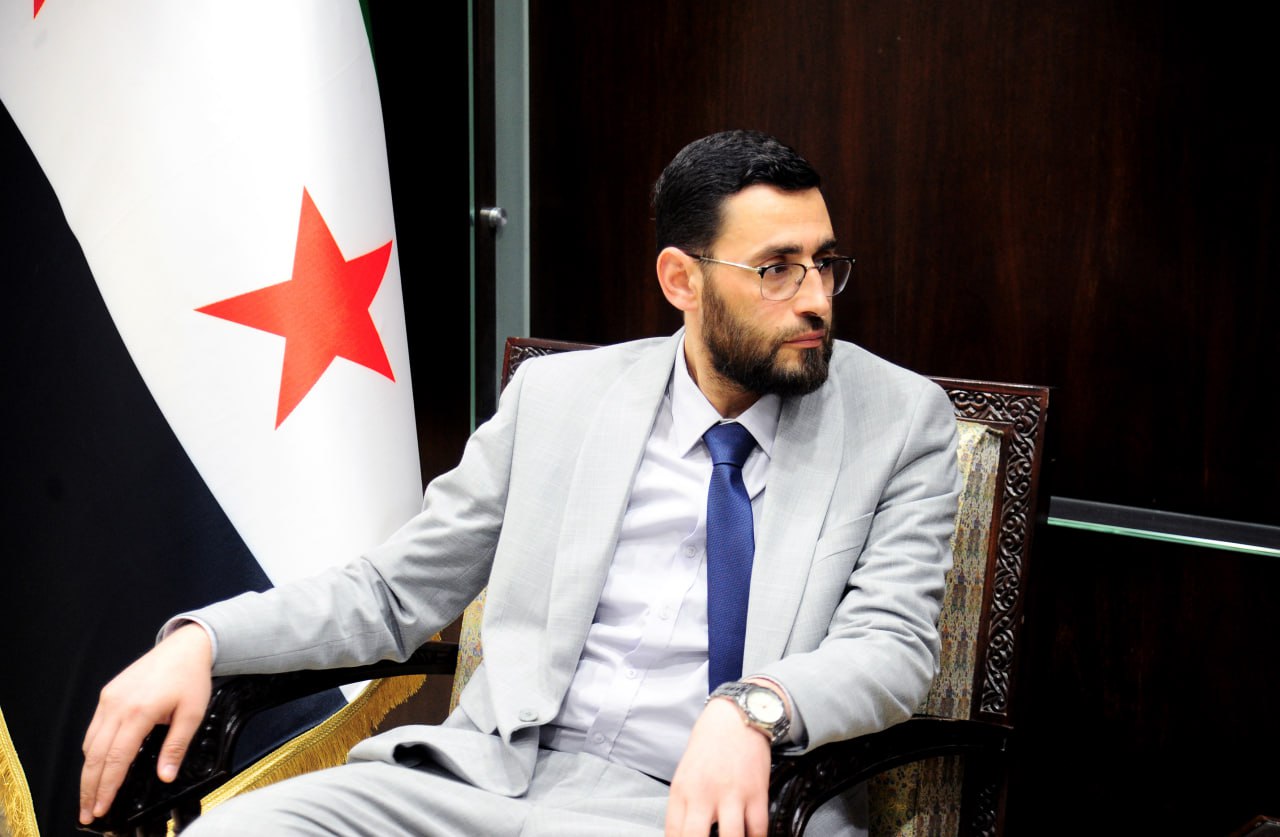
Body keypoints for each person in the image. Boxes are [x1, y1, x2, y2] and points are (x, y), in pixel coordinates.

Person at [79, 130, 959, 836]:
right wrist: (206, 640)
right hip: (484, 781)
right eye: (776, 269)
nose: (816, 299)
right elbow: (393, 591)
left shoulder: (897, 421)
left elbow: (891, 648)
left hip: (688, 805)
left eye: (825, 263)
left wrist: (753, 710)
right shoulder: (558, 398)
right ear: (681, 281)